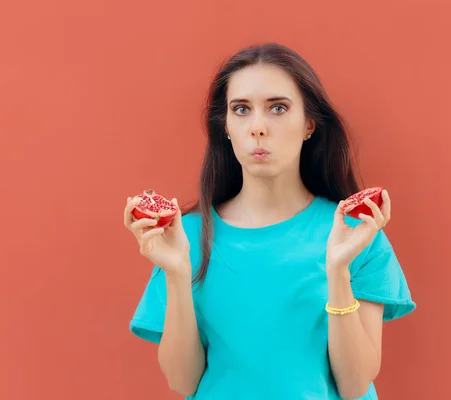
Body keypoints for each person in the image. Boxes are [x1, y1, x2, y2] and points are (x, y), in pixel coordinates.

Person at [124, 42, 416, 400]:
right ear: (226, 127)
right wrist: (177, 274)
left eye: (278, 108)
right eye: (241, 109)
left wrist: (338, 270)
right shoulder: (185, 239)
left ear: (309, 124)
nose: (258, 127)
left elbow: (354, 385)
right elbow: (182, 384)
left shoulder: (357, 235)